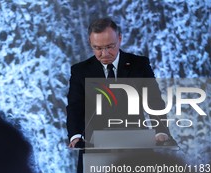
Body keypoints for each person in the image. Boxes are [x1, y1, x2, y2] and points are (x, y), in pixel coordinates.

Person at [67, 18, 170, 150]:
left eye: (110, 46)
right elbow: (75, 107)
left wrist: (161, 131)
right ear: (90, 42)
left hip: (136, 146)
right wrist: (76, 136)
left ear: (119, 39)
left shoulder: (139, 65)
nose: (105, 54)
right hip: (94, 147)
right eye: (97, 48)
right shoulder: (80, 71)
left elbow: (154, 100)